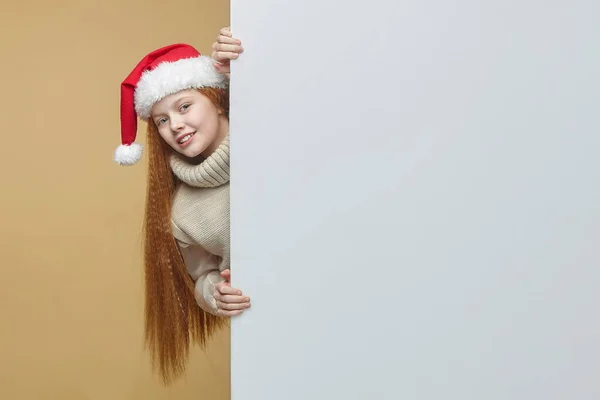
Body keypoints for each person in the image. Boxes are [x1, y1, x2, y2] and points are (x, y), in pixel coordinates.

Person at [114, 27, 246, 384]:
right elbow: (203, 276)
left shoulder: (267, 127)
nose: (176, 125)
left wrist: (244, 65)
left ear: (217, 99)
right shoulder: (182, 212)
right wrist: (216, 294)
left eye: (184, 106)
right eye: (162, 120)